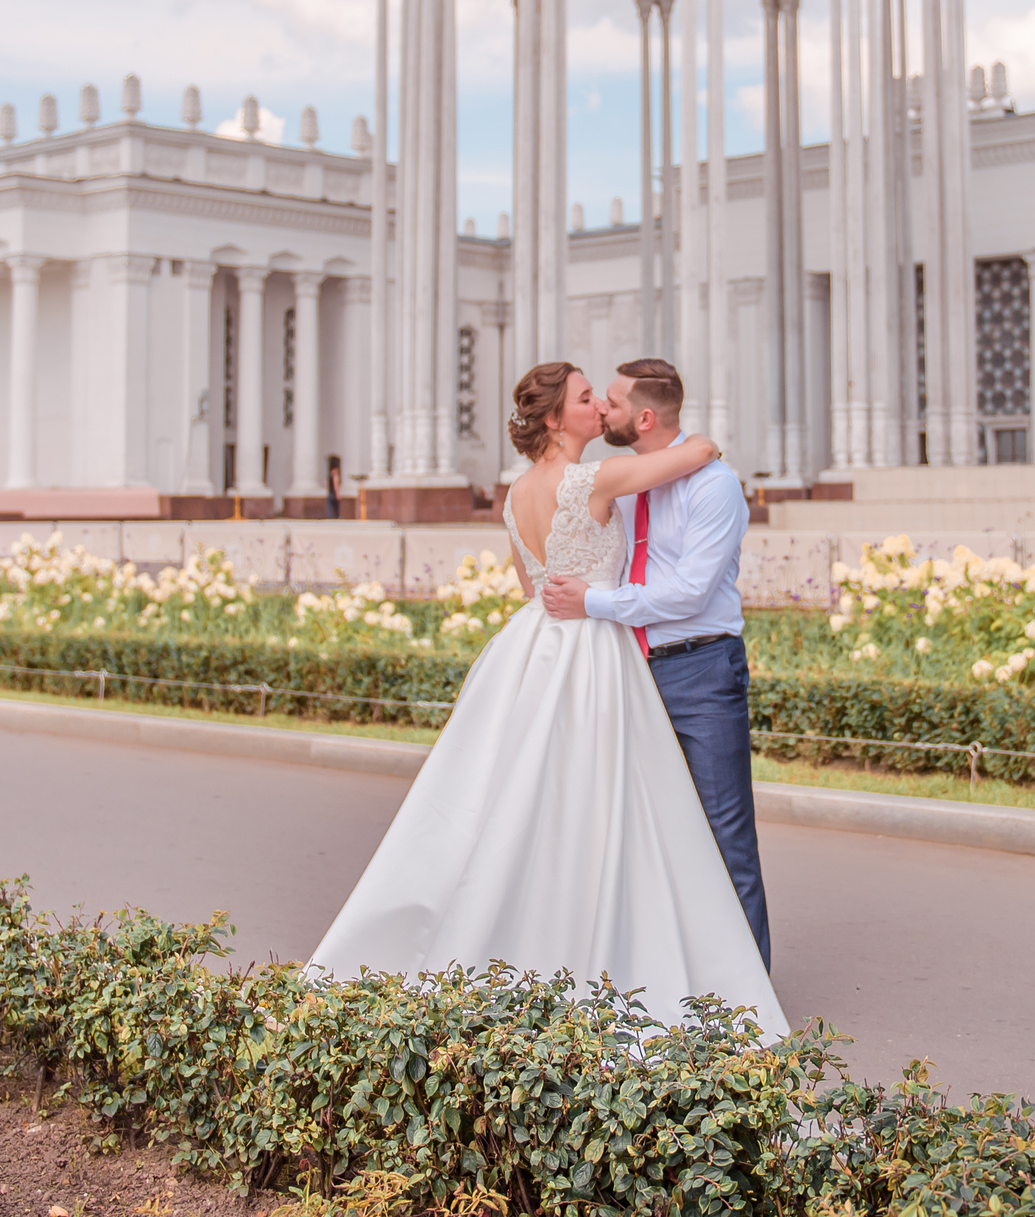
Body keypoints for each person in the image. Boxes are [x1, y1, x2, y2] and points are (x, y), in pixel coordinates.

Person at [309, 361, 787, 1034]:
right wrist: (696, 442)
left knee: (534, 808)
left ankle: (533, 950)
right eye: (589, 399)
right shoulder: (593, 481)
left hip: (537, 650)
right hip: (595, 652)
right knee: (606, 814)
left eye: (607, 398)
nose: (601, 409)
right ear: (558, 419)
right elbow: (702, 449)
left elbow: (528, 589)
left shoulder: (515, 495)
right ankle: (627, 964)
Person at [539, 359, 769, 969]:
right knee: (649, 833)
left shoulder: (713, 485)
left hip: (700, 671)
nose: (602, 411)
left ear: (642, 417)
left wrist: (593, 603)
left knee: (724, 836)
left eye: (610, 402)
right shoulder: (624, 482)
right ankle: (674, 980)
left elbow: (691, 592)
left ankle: (748, 998)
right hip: (629, 671)